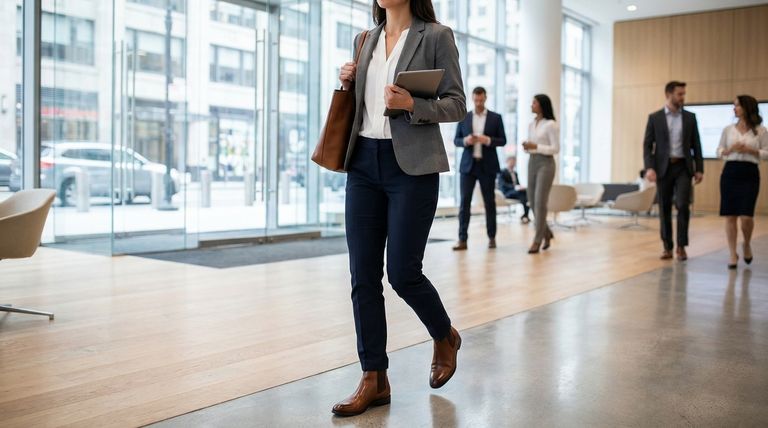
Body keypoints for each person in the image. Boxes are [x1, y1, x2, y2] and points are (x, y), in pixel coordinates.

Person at [334, 0, 465, 417]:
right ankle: (374, 377)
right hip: (363, 164)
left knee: (404, 272)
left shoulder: (436, 36)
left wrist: (413, 105)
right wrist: (345, 82)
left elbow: (456, 103)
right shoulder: (364, 40)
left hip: (412, 167)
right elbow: (361, 107)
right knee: (362, 277)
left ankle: (444, 335)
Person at [643, 81, 704, 261]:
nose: (683, 97)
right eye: (680, 94)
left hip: (683, 167)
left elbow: (696, 145)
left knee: (683, 204)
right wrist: (649, 167)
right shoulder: (655, 118)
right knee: (664, 207)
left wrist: (699, 169)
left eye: (684, 94)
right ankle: (667, 246)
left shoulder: (690, 118)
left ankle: (681, 246)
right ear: (668, 94)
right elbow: (647, 146)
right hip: (663, 168)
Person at [452, 86, 508, 250]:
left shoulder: (496, 118)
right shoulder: (464, 117)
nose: (478, 102)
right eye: (476, 100)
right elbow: (456, 140)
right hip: (468, 166)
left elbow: (503, 140)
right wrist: (466, 141)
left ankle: (492, 238)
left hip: (487, 166)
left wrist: (487, 140)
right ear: (472, 98)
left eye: (481, 100)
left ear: (485, 98)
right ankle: (462, 239)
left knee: (489, 203)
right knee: (464, 204)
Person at [717, 95, 768, 269]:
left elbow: (767, 153)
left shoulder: (761, 130)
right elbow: (719, 150)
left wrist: (751, 150)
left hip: (750, 173)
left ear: (746, 107)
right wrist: (730, 149)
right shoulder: (728, 129)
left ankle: (746, 243)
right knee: (730, 215)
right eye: (734, 105)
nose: (734, 108)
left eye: (737, 105)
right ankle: (732, 253)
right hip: (730, 172)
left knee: (746, 216)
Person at [522, 94, 559, 254]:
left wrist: (535, 146)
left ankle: (538, 240)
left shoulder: (551, 124)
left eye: (534, 102)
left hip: (546, 163)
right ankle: (547, 232)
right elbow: (534, 146)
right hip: (532, 162)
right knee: (531, 199)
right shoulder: (531, 124)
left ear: (542, 105)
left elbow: (555, 149)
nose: (532, 105)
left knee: (540, 202)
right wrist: (528, 147)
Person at [498, 155, 530, 223]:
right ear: (507, 161)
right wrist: (515, 187)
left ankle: (525, 215)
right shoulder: (502, 172)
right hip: (507, 192)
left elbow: (518, 184)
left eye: (514, 161)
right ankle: (525, 215)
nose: (513, 163)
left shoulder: (515, 173)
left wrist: (520, 187)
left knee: (526, 193)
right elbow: (502, 185)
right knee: (521, 193)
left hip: (516, 192)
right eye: (511, 161)